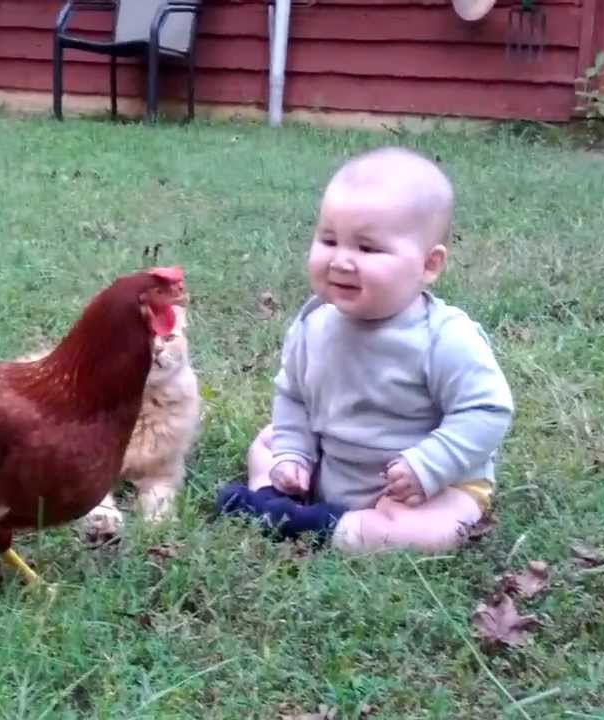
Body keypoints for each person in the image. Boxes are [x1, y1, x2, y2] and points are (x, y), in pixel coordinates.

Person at [215, 146, 514, 553]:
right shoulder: (313, 323)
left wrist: (429, 464)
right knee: (269, 442)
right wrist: (293, 455)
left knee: (439, 529)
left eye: (367, 248)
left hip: (417, 489)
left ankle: (318, 524)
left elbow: (487, 411)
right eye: (329, 239)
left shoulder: (444, 338)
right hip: (333, 462)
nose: (341, 260)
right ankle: (279, 494)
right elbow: (293, 397)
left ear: (429, 265)